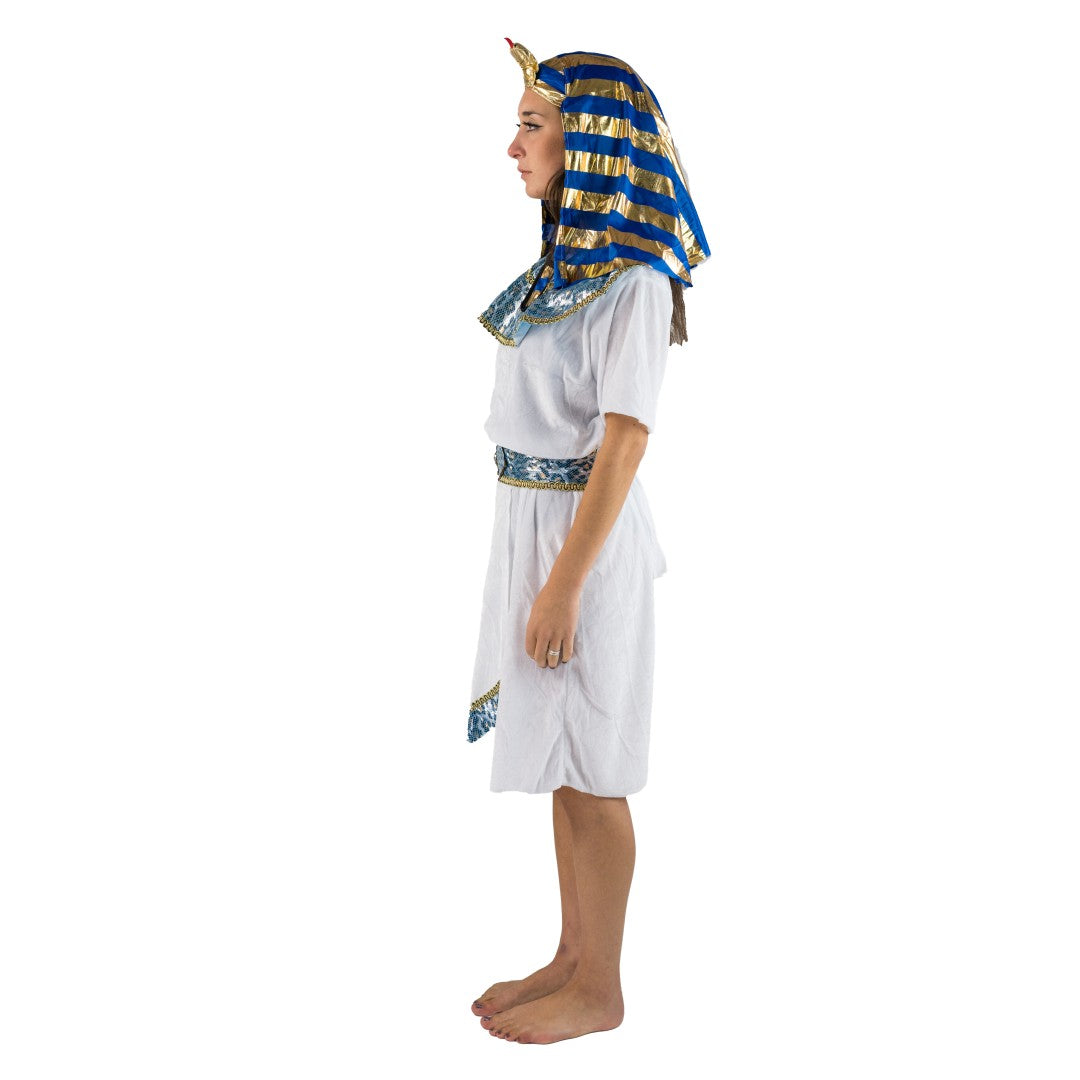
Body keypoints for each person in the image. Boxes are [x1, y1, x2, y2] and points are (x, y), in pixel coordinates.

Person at [466, 40, 710, 1044]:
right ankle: (573, 955)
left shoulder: (635, 284)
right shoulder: (567, 274)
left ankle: (602, 987)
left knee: (595, 761)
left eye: (533, 124)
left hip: (587, 547)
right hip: (541, 531)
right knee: (563, 757)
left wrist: (564, 585)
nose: (513, 145)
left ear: (595, 142)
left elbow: (625, 439)